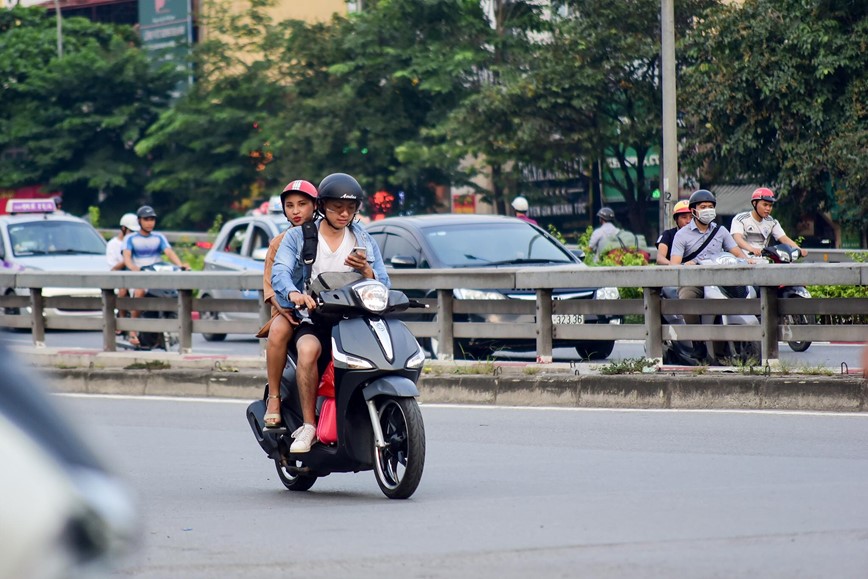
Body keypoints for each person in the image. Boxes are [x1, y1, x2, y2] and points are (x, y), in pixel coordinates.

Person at [272, 173, 390, 453]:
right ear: (322, 206)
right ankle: (310, 426)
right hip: (315, 317)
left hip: (356, 319)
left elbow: (383, 283)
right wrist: (294, 294)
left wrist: (366, 271)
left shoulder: (363, 238)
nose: (345, 213)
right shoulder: (298, 236)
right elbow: (280, 272)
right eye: (338, 207)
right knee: (309, 350)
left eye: (351, 208)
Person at [259, 180, 318, 428]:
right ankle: (274, 396)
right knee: (279, 330)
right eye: (290, 205)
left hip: (325, 308)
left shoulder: (327, 236)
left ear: (315, 206)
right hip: (288, 309)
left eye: (302, 204)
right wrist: (287, 306)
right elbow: (271, 285)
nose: (296, 211)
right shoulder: (279, 242)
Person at [669, 189, 749, 325]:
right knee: (687, 298)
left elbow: (738, 253)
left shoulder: (721, 231)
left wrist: (749, 260)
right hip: (694, 281)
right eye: (703, 207)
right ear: (693, 211)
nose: (708, 210)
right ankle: (697, 341)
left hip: (720, 280)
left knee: (750, 293)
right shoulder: (681, 235)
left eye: (711, 207)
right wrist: (686, 265)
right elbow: (674, 265)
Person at [122, 205, 190, 346]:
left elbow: (169, 252)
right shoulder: (130, 238)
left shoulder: (159, 237)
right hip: (140, 274)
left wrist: (180, 265)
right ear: (139, 221)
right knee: (140, 291)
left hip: (156, 273)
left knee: (174, 292)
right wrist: (134, 268)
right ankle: (132, 330)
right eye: (146, 219)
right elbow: (127, 257)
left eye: (152, 219)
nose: (150, 223)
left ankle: (176, 327)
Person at [730, 187, 808, 258]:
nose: (768, 208)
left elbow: (784, 238)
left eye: (770, 206)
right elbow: (737, 239)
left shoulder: (772, 222)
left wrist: (799, 249)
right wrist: (752, 249)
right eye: (765, 205)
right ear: (754, 204)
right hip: (743, 261)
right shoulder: (740, 219)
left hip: (763, 262)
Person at [106, 213, 140, 325]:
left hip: (135, 274)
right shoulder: (113, 244)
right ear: (123, 228)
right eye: (131, 231)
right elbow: (113, 268)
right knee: (122, 290)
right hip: (120, 276)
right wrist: (126, 260)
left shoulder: (136, 242)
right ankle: (122, 319)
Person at [656, 200, 693, 265]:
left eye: (691, 217)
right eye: (684, 217)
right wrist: (674, 265)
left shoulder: (702, 234)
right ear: (676, 219)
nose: (688, 221)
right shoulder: (668, 234)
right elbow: (660, 258)